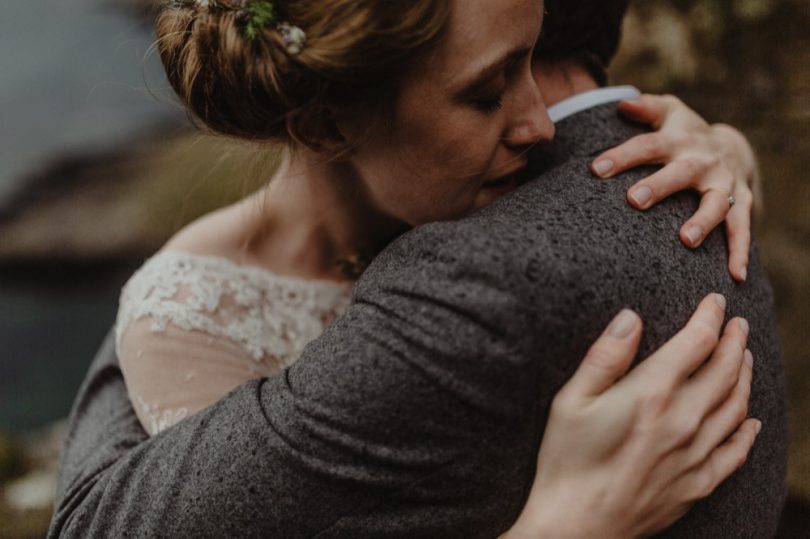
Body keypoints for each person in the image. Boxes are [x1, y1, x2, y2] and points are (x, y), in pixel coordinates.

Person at [50, 0, 786, 537]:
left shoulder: (469, 204)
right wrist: (567, 522)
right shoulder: (194, 322)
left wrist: (722, 146)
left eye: (529, 58)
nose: (539, 123)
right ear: (326, 125)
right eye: (488, 92)